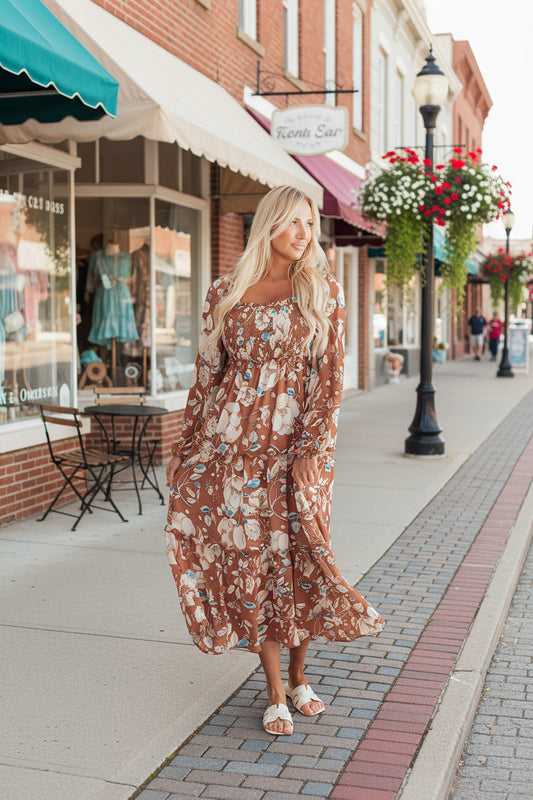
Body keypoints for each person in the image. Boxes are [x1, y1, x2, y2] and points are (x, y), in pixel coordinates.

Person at [165, 185, 384, 737]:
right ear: (267, 226)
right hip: (231, 448)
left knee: (305, 554)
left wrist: (313, 447)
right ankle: (275, 689)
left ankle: (301, 673)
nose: (302, 234)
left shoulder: (322, 290)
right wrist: (186, 446)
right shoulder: (226, 290)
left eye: (309, 224)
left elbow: (330, 377)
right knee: (251, 561)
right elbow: (207, 377)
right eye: (291, 223)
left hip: (297, 450)